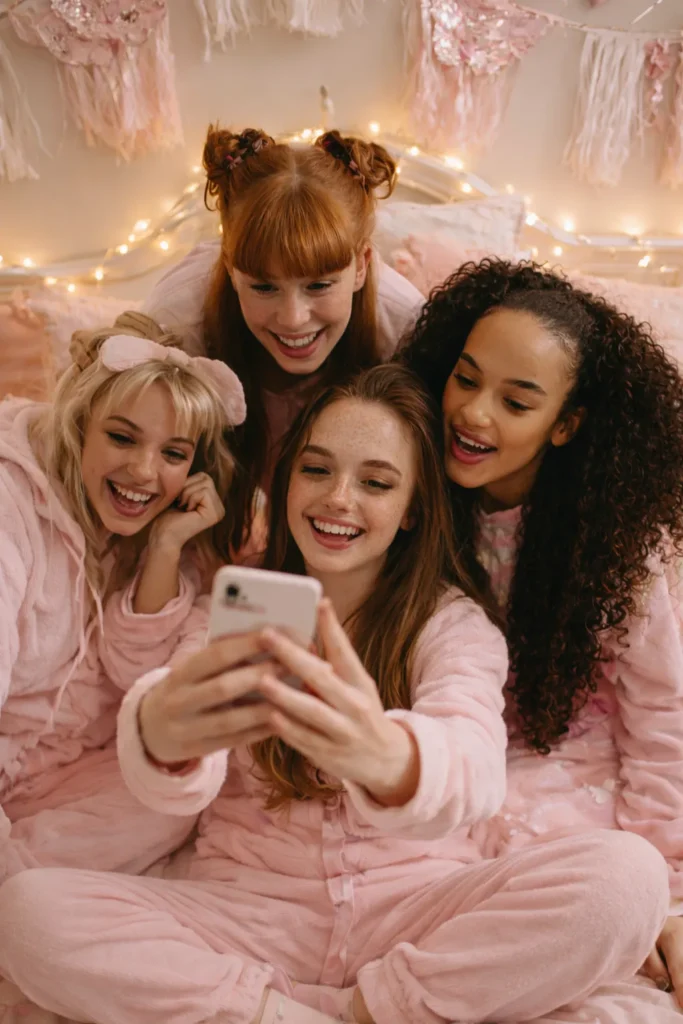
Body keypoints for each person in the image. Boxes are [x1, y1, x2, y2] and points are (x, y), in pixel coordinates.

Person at [0, 366, 668, 1024]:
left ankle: (376, 1011)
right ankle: (274, 1013)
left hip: (417, 914)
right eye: (316, 470)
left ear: (410, 510)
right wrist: (162, 736)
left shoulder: (450, 624)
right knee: (28, 912)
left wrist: (385, 755)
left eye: (375, 482)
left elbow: (471, 762)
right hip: (247, 913)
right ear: (286, 482)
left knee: (627, 879)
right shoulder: (235, 604)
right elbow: (176, 762)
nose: (337, 499)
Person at [400, 258, 683, 1015]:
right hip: (449, 754)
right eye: (465, 378)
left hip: (575, 767)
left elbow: (660, 718)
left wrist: (672, 889)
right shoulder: (411, 490)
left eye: (515, 401)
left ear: (564, 424)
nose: (473, 414)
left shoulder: (617, 543)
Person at [0, 315, 245, 881]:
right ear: (82, 423)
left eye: (174, 453)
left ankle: (23, 892)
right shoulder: (14, 507)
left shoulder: (157, 529)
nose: (143, 472)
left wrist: (163, 547)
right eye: (121, 437)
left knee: (175, 798)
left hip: (65, 769)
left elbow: (134, 668)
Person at [131, 125, 423, 552]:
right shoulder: (177, 319)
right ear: (230, 268)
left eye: (320, 286)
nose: (293, 320)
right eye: (264, 287)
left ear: (361, 266)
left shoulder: (403, 326)